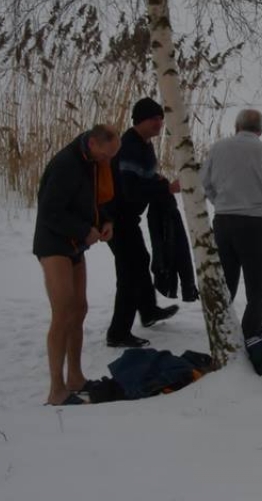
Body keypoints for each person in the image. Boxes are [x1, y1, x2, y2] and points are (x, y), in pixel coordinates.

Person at [33, 124, 120, 405]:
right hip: (53, 243)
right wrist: (84, 230)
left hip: (74, 245)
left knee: (79, 308)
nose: (108, 161)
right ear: (93, 143)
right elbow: (49, 211)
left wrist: (104, 220)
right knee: (63, 311)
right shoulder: (66, 164)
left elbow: (91, 200)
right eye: (107, 155)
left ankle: (75, 377)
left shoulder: (92, 161)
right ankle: (57, 390)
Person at [201, 109, 262, 338]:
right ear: (261, 130)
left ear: (236, 126)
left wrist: (220, 203)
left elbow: (205, 183)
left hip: (223, 221)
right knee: (258, 287)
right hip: (256, 224)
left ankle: (223, 336)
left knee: (225, 283)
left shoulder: (217, 149)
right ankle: (250, 335)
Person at [105, 98, 181, 348]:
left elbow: (145, 176)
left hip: (128, 219)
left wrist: (159, 181)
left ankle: (148, 312)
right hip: (115, 220)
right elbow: (131, 190)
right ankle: (118, 333)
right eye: (154, 119)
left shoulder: (144, 144)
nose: (159, 123)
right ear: (140, 120)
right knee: (130, 272)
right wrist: (166, 188)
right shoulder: (129, 147)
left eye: (161, 118)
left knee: (139, 262)